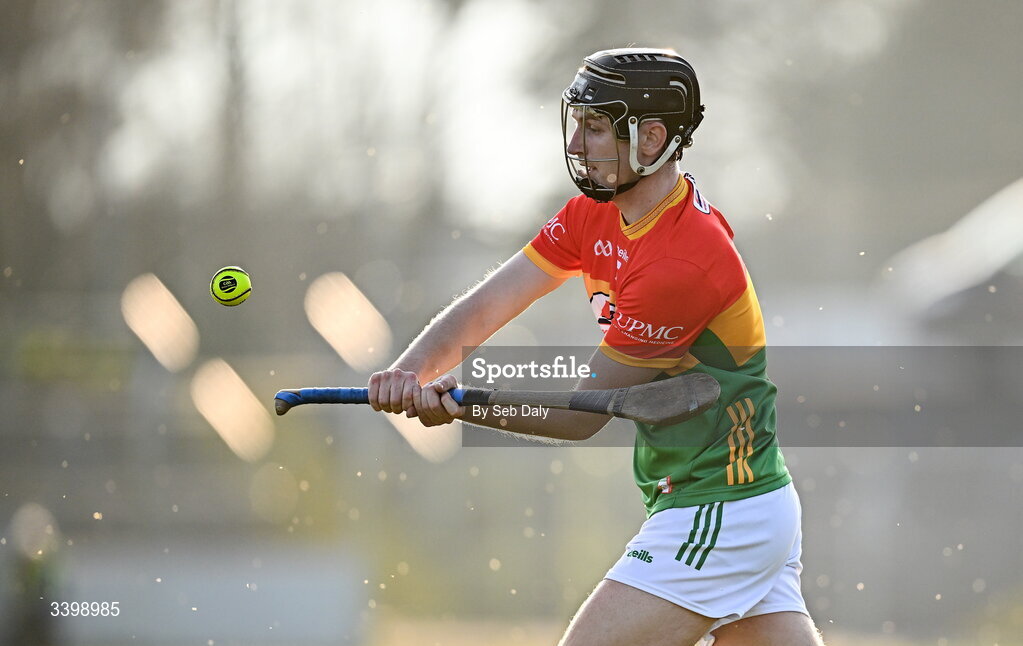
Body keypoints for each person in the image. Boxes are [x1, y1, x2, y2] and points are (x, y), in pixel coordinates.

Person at [368, 47, 824, 646]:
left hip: (722, 505)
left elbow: (581, 416)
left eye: (597, 126)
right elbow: (489, 304)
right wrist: (408, 371)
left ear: (652, 136)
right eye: (577, 122)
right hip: (738, 501)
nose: (578, 144)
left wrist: (464, 404)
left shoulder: (681, 262)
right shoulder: (594, 215)